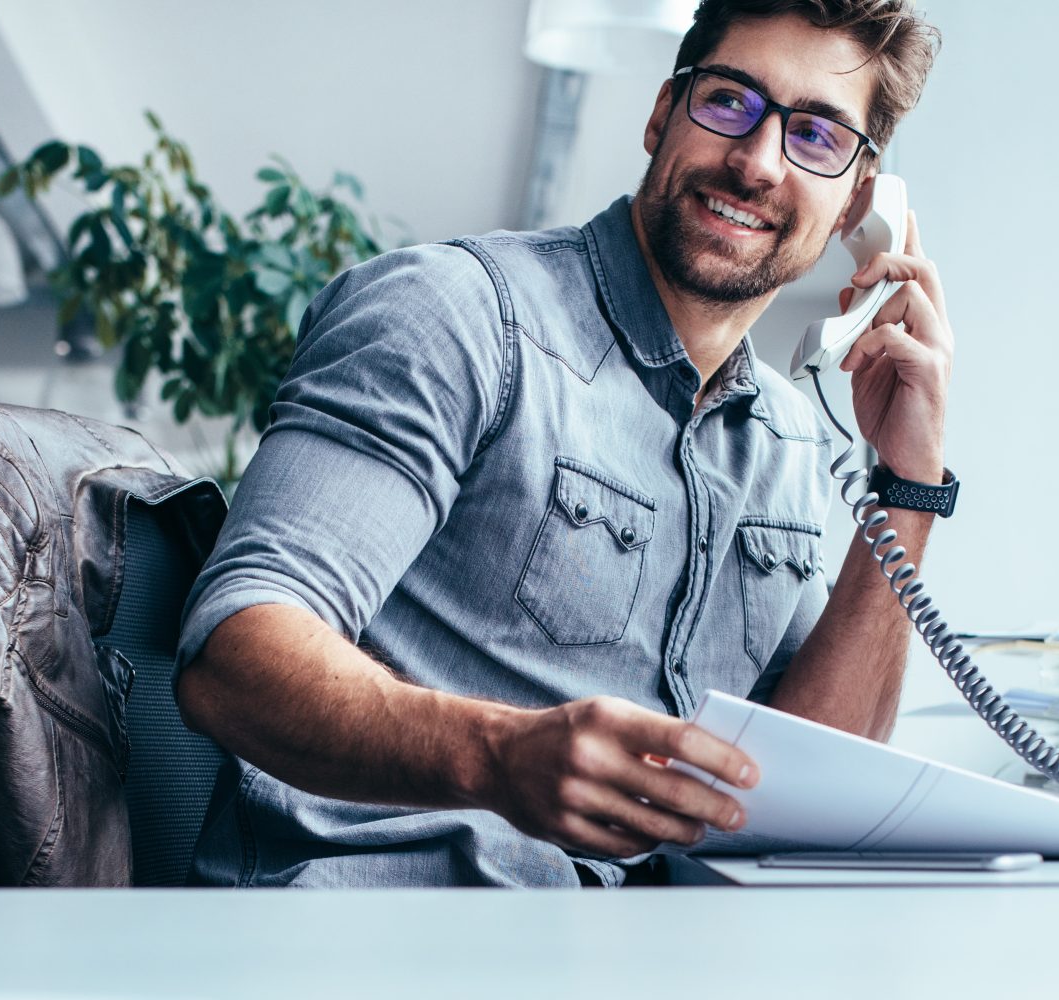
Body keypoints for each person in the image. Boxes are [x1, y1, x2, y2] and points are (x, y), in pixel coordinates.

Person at [175, 0, 949, 886]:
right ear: (663, 113)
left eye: (815, 136)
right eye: (730, 102)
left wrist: (908, 481)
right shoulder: (454, 316)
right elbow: (235, 653)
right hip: (379, 950)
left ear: (859, 199)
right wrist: (498, 756)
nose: (757, 162)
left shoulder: (791, 445)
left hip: (639, 985)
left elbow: (810, 782)